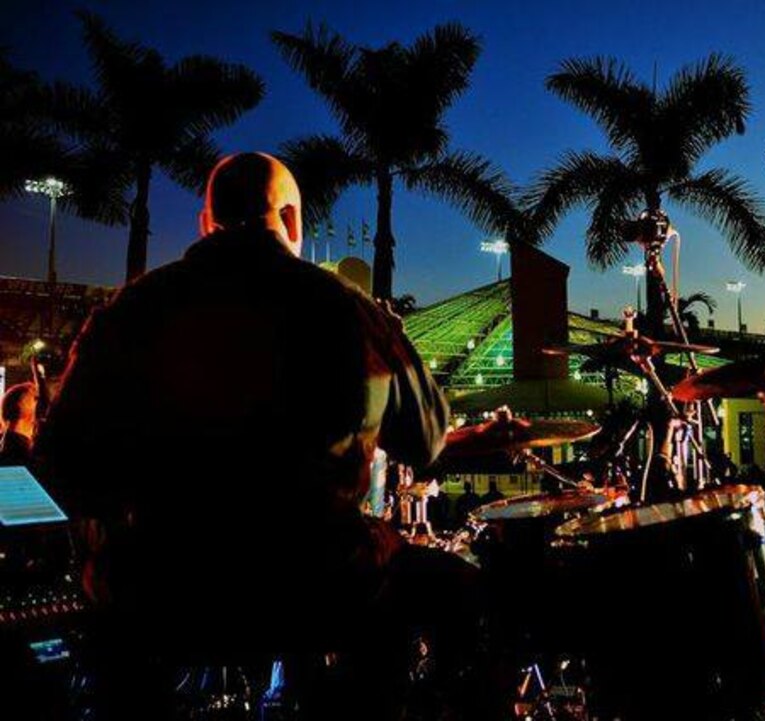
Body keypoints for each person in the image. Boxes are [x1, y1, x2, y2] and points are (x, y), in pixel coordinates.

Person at [36, 153, 459, 717]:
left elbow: (62, 462)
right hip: (319, 580)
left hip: (163, 585)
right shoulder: (349, 309)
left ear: (205, 221)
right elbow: (426, 440)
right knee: (457, 597)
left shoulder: (133, 309)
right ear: (291, 220)